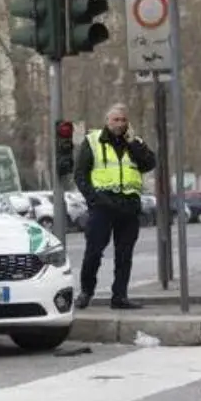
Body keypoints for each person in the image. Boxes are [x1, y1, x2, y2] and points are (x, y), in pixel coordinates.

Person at [73, 103, 158, 310]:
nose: (120, 124)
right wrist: (94, 200)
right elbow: (80, 174)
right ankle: (86, 292)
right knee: (94, 251)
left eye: (123, 120)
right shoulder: (93, 141)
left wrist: (132, 143)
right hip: (103, 205)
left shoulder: (135, 142)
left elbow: (149, 163)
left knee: (124, 254)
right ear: (107, 121)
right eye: (116, 120)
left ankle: (120, 296)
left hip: (128, 205)